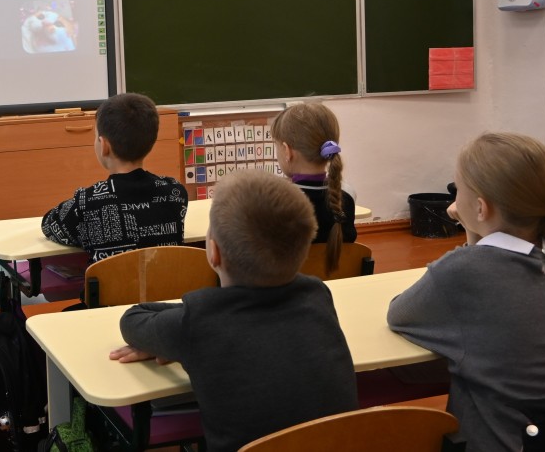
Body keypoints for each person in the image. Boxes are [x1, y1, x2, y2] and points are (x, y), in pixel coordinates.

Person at [109, 172, 358, 452]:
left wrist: (175, 336)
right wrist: (185, 330)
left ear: (213, 252)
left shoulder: (200, 321)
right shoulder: (317, 294)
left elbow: (132, 320)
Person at [388, 132, 545, 452]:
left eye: (458, 190)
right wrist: (476, 231)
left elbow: (400, 314)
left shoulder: (462, 270)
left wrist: (471, 233)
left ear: (481, 208)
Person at [41, 93, 187, 263]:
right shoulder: (175, 193)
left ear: (104, 146)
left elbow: (49, 225)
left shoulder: (86, 202)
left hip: (111, 282)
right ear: (151, 141)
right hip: (164, 280)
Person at [271, 101, 357, 274]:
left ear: (287, 151)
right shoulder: (347, 196)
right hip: (335, 285)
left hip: (287, 287)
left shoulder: (273, 201)